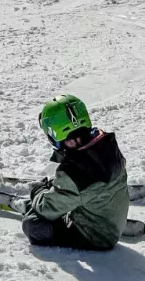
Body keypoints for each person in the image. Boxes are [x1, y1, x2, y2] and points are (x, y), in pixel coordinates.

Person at [23, 95, 129, 250]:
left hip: (97, 237)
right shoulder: (106, 143)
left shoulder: (74, 173)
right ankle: (63, 198)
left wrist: (38, 192)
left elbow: (47, 209)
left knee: (32, 225)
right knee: (75, 194)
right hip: (109, 215)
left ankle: (51, 200)